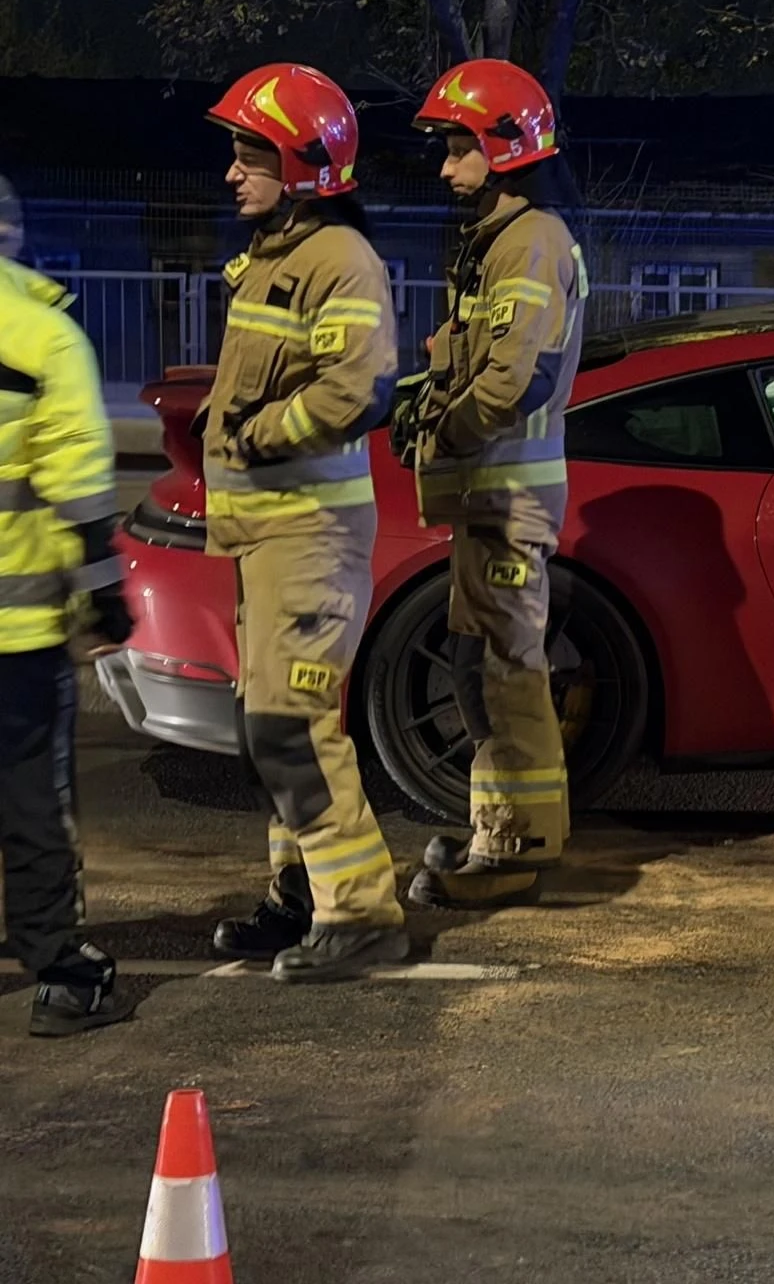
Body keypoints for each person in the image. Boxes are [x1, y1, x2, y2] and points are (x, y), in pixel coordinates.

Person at [201, 63, 409, 981]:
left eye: (251, 154)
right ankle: (302, 898)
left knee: (291, 726)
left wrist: (260, 435)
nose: (232, 172)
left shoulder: (337, 261)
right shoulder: (276, 260)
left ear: (305, 163)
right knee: (270, 724)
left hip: (310, 534)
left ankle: (361, 915)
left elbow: (359, 386)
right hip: (269, 538)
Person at [399, 60, 584, 909]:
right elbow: (473, 361)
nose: (444, 167)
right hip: (489, 499)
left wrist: (440, 428)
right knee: (478, 665)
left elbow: (515, 383)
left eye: (457, 147)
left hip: (508, 500)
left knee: (506, 670)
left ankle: (514, 850)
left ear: (507, 148)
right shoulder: (497, 246)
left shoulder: (530, 244)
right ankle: (493, 828)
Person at [0, 174, 138, 1036]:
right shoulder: (45, 337)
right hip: (17, 629)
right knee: (29, 797)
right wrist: (104, 598)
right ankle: (56, 970)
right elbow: (82, 488)